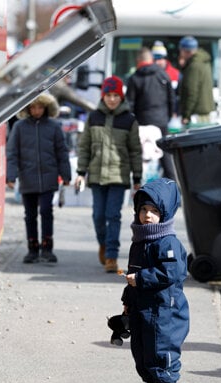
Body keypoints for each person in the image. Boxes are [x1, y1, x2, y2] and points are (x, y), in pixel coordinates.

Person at [120, 178, 190, 383]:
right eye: (143, 210)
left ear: (165, 214)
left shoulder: (167, 242)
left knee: (161, 345)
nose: (147, 215)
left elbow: (170, 273)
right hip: (143, 307)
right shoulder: (140, 241)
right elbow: (133, 275)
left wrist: (140, 279)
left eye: (154, 211)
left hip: (164, 309)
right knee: (141, 346)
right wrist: (128, 300)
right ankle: (151, 382)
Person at [75, 75, 142, 273]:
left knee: (113, 215)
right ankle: (103, 244)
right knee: (98, 216)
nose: (112, 99)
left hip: (119, 176)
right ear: (103, 96)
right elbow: (84, 146)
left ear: (121, 97)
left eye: (116, 95)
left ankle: (112, 255)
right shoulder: (93, 117)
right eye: (108, 95)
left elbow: (135, 151)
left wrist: (137, 178)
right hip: (96, 176)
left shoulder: (129, 120)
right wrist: (80, 172)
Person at [6, 93, 71, 263]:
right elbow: (12, 154)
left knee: (46, 212)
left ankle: (47, 248)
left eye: (40, 107)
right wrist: (11, 176)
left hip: (49, 178)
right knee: (30, 214)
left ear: (46, 108)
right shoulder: (19, 127)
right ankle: (32, 248)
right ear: (27, 109)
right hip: (27, 177)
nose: (36, 111)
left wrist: (66, 175)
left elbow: (62, 152)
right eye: (33, 107)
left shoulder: (54, 127)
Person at [125, 47, 176, 182]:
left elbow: (129, 104)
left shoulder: (134, 78)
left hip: (143, 122)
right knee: (165, 154)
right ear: (151, 59)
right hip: (161, 121)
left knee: (142, 155)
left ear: (138, 60)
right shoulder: (163, 75)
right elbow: (172, 99)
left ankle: (141, 185)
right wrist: (168, 116)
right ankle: (172, 182)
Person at [177, 36, 215, 126]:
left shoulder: (194, 66)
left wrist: (186, 115)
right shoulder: (204, 62)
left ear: (185, 51)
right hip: (205, 111)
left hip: (196, 114)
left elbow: (191, 92)